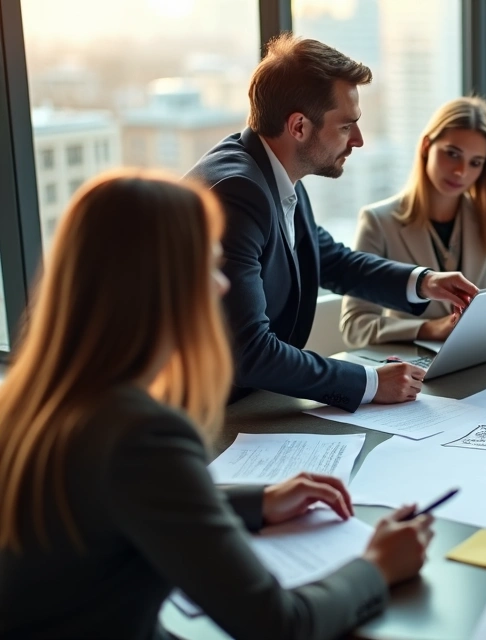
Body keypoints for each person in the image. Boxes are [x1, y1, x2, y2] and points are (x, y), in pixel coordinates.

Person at [0, 171, 434, 639]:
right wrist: (376, 566)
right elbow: (278, 625)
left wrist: (259, 502)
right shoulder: (141, 433)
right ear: (161, 286)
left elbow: (110, 500)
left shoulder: (37, 398)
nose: (223, 286)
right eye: (208, 266)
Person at [185, 35, 478, 413]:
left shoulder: (270, 171)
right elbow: (250, 352)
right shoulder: (238, 193)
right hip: (195, 416)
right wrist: (370, 382)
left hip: (240, 401)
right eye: (345, 126)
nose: (357, 140)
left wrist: (424, 282)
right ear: (299, 127)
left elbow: (328, 258)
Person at [341, 96, 486, 347]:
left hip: (478, 360)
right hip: (408, 370)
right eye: (452, 154)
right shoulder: (378, 222)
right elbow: (354, 325)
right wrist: (428, 329)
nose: (461, 171)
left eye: (475, 163)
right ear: (426, 146)